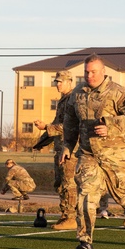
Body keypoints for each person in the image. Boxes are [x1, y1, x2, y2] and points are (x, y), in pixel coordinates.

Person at [62, 54, 125, 249]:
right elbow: (70, 121)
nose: (89, 75)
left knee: (122, 193)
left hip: (115, 154)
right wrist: (67, 146)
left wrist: (112, 126)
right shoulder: (78, 93)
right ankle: (85, 241)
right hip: (88, 154)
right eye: (87, 72)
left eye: (93, 72)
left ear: (103, 72)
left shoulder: (118, 92)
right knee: (86, 196)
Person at [33, 70, 78, 230]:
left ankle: (71, 218)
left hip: (69, 150)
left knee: (69, 183)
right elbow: (55, 124)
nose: (57, 84)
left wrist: (46, 127)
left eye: (60, 81)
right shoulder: (62, 101)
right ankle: (65, 215)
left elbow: (69, 126)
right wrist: (42, 142)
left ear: (69, 81)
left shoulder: (73, 99)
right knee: (60, 183)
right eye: (56, 81)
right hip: (59, 148)